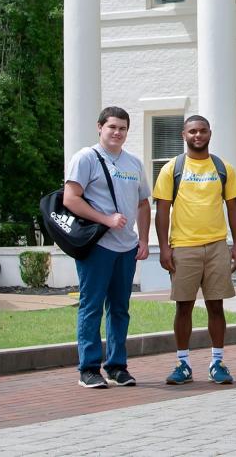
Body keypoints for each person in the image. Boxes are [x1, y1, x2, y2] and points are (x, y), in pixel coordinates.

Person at [62, 106, 153, 389]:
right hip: (97, 246)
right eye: (112, 127)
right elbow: (70, 198)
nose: (117, 133)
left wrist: (144, 240)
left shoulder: (134, 163)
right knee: (91, 307)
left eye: (122, 128)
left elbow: (142, 203)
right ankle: (88, 369)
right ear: (100, 127)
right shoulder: (86, 158)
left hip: (126, 247)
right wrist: (106, 220)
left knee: (120, 308)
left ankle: (116, 366)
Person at [153, 114, 236, 386]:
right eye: (192, 131)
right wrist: (163, 249)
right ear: (184, 134)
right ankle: (183, 364)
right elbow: (162, 210)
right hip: (183, 246)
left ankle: (217, 363)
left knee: (217, 305)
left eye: (202, 131)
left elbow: (234, 208)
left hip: (216, 245)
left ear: (209, 134)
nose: (197, 135)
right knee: (184, 307)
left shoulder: (222, 167)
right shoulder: (172, 168)